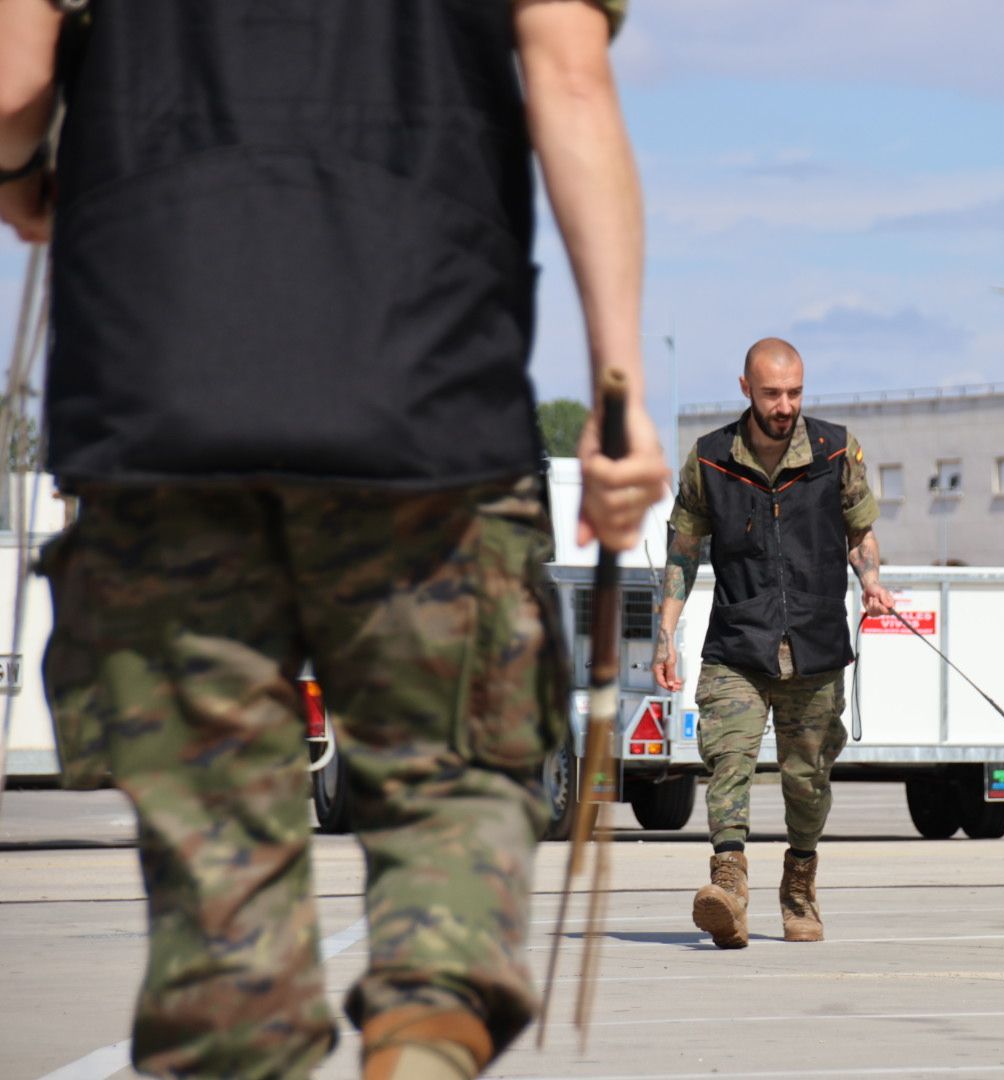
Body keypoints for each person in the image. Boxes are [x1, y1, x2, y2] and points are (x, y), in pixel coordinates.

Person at [2, 2, 669, 1077]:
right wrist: (617, 385)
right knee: (449, 789)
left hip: (159, 394)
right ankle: (425, 1029)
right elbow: (571, 76)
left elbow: (10, 89)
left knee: (220, 897)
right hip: (423, 395)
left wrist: (18, 178)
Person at [653, 337, 892, 950]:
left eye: (794, 393)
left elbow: (860, 531)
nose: (785, 406)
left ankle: (799, 886)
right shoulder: (709, 461)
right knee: (727, 760)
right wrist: (666, 634)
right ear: (745, 390)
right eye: (771, 394)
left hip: (814, 642)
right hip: (738, 641)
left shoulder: (837, 449)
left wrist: (871, 583)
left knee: (807, 780)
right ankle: (728, 886)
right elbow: (682, 551)